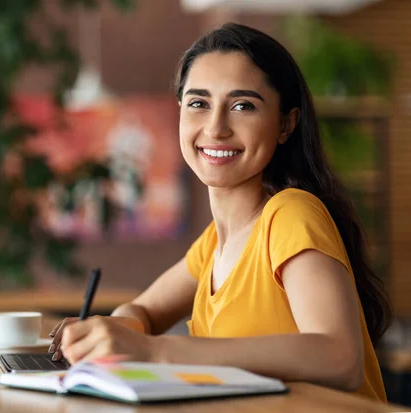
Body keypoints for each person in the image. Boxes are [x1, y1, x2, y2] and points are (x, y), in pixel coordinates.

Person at [48, 22, 392, 402]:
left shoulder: (291, 214)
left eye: (243, 106)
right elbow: (143, 310)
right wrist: (112, 332)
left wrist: (153, 351)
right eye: (199, 103)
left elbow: (339, 358)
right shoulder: (215, 243)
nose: (216, 127)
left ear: (286, 124)